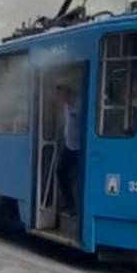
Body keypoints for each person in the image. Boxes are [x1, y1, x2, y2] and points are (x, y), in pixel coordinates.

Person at [56, 85, 81, 213]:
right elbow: (65, 124)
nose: (60, 98)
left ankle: (75, 205)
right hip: (69, 145)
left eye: (61, 94)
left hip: (79, 147)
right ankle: (70, 202)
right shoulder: (66, 106)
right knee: (61, 172)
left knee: (78, 176)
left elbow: (77, 118)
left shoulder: (78, 102)